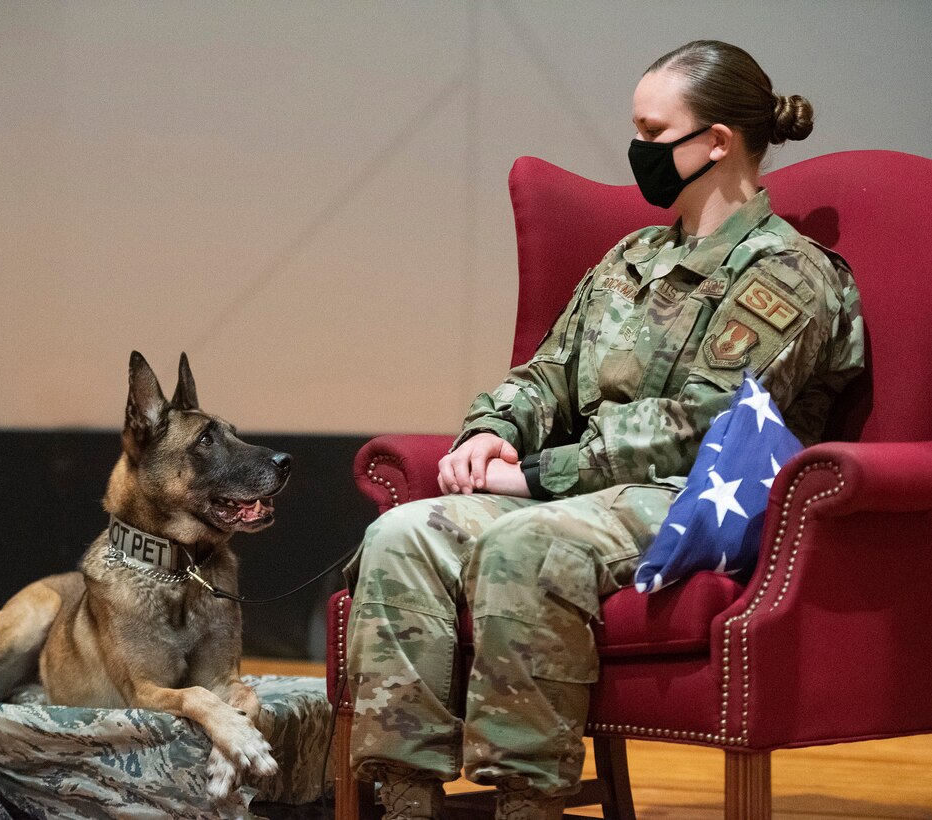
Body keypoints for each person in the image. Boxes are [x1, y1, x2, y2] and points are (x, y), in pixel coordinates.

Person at [344, 40, 864, 820]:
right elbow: (547, 373)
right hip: (582, 489)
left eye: (653, 134)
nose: (638, 151)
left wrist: (539, 475)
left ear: (714, 142)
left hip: (685, 497)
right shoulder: (631, 257)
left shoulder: (786, 271)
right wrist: (490, 432)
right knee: (404, 533)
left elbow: (703, 422)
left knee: (527, 544)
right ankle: (404, 795)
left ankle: (525, 800)